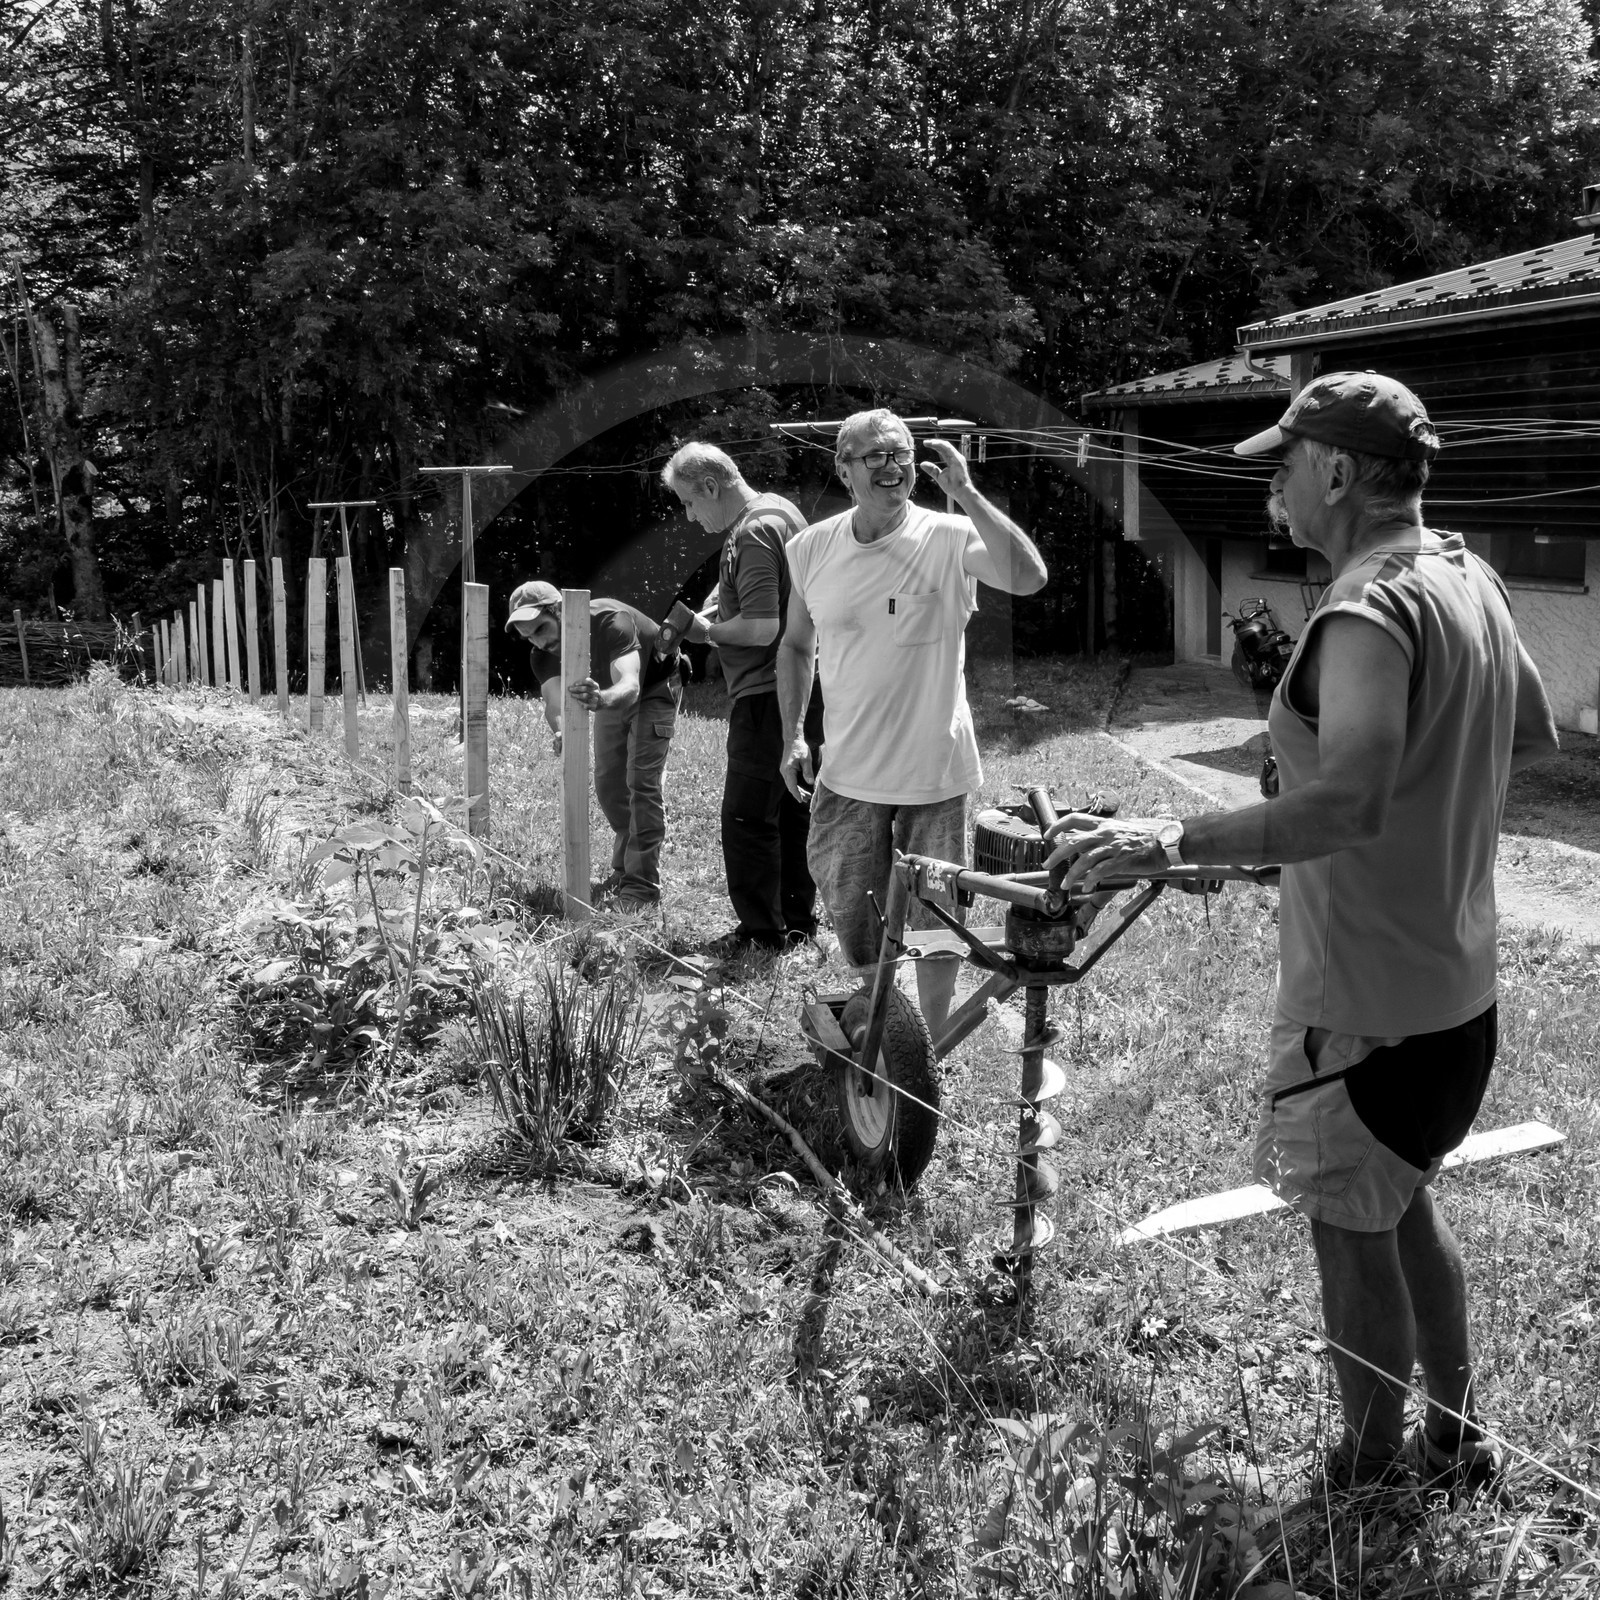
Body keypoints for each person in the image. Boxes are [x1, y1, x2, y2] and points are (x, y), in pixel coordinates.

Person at [1046, 372, 1559, 1496]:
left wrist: (1169, 836)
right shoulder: (1465, 577)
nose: (1271, 483)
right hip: (1454, 991)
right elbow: (1524, 733)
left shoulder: (1369, 604)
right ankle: (1454, 1435)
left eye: (1283, 462)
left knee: (1350, 1228)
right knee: (1401, 1197)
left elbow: (1354, 802)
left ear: (1337, 471)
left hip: (1362, 1004)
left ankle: (1371, 1479)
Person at [776, 408, 1048, 1038]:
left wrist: (969, 493)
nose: (891, 466)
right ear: (844, 470)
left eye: (899, 453)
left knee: (938, 919)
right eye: (874, 456)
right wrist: (793, 733)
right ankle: (882, 1021)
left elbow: (1030, 577)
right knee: (853, 912)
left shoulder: (952, 535)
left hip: (935, 770)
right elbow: (795, 645)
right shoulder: (810, 548)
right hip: (848, 771)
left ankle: (926, 1048)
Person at [661, 441, 822, 952]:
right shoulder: (773, 513)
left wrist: (702, 634)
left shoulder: (751, 533)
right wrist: (712, 606)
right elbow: (751, 595)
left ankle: (761, 935)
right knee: (793, 807)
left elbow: (758, 626)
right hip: (803, 687)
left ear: (712, 486)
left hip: (767, 693)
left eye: (689, 502)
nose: (689, 516)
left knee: (747, 817)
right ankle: (796, 923)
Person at [505, 580, 682, 911]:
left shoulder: (611, 621)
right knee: (609, 784)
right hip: (605, 697)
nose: (540, 642)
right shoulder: (541, 656)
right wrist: (561, 731)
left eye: (541, 628)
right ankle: (625, 870)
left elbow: (629, 685)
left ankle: (641, 888)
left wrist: (600, 699)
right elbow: (555, 704)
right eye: (529, 636)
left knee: (641, 783)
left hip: (655, 687)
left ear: (560, 610)